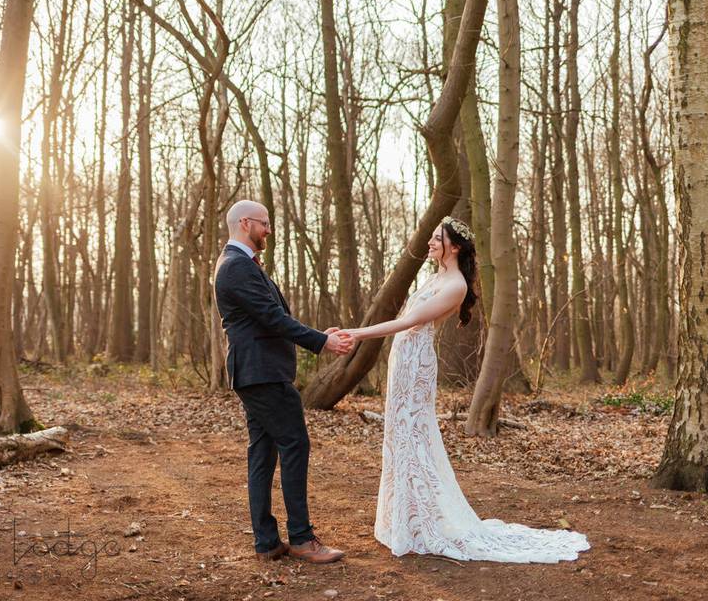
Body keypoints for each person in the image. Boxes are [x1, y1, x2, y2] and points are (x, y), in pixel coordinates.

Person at [339, 217, 590, 563]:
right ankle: (406, 519)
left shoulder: (455, 284)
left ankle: (425, 521)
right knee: (399, 436)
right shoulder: (437, 276)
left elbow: (410, 321)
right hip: (404, 357)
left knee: (415, 436)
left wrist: (356, 333)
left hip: (416, 364)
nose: (429, 243)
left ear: (453, 247)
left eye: (436, 239)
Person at [213, 200, 351, 564]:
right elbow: (273, 318)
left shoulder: (239, 265)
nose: (268, 230)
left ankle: (267, 542)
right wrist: (322, 342)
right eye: (264, 224)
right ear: (245, 223)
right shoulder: (236, 267)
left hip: (256, 372)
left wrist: (320, 334)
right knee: (294, 444)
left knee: (262, 453)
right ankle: (303, 539)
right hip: (262, 374)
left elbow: (269, 318)